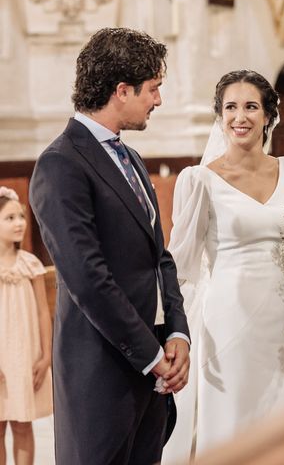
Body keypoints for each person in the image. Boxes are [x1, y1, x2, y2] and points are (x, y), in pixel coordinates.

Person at [29, 28, 190, 465]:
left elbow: (160, 256)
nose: (158, 100)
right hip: (101, 369)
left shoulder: (131, 159)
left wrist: (176, 332)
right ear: (122, 90)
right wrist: (151, 354)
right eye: (153, 89)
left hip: (152, 366)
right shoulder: (61, 163)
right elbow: (87, 277)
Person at [163, 69, 284, 462]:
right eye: (230, 107)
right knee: (233, 421)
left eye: (250, 107)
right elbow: (181, 264)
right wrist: (172, 329)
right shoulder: (199, 181)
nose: (239, 116)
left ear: (268, 116)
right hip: (229, 316)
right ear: (219, 115)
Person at [0, 187, 52, 465]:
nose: (19, 222)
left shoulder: (30, 264)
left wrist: (45, 356)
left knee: (22, 424)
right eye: (9, 218)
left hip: (24, 357)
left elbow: (44, 313)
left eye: (21, 216)